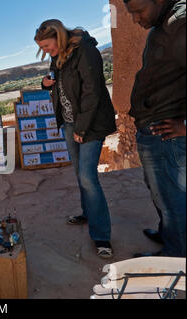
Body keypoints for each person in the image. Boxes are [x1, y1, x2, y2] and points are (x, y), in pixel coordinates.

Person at [35, 19, 117, 259]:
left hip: (90, 124)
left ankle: (102, 235)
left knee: (88, 177)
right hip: (70, 124)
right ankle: (88, 212)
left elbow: (92, 91)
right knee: (79, 173)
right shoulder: (59, 54)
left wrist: (82, 128)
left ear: (58, 37)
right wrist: (45, 84)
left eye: (47, 47)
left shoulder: (86, 51)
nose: (46, 52)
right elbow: (62, 85)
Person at [123, 0, 186, 258]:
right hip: (154, 128)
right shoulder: (164, 23)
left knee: (172, 196)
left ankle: (176, 255)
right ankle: (169, 234)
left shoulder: (179, 23)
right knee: (160, 189)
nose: (136, 19)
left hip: (167, 131)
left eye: (139, 10)